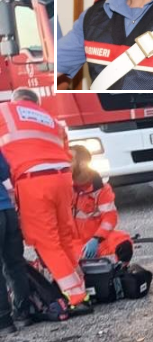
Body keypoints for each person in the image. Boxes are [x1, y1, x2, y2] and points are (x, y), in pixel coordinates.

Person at [0, 88, 90, 315]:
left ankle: (77, 298)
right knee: (64, 238)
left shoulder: (5, 111)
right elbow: (67, 152)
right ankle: (82, 289)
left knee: (46, 242)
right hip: (63, 178)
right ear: (36, 103)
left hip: (34, 181)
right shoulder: (51, 120)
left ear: (16, 100)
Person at [71, 146, 133, 265]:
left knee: (124, 245)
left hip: (97, 239)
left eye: (70, 160)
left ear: (82, 164)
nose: (65, 164)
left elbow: (110, 217)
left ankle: (119, 272)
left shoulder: (101, 190)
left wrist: (96, 238)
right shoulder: (64, 188)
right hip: (72, 243)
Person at [0, 152, 31, 334]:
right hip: (7, 210)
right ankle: (23, 313)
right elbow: (4, 171)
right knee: (15, 264)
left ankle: (4, 321)